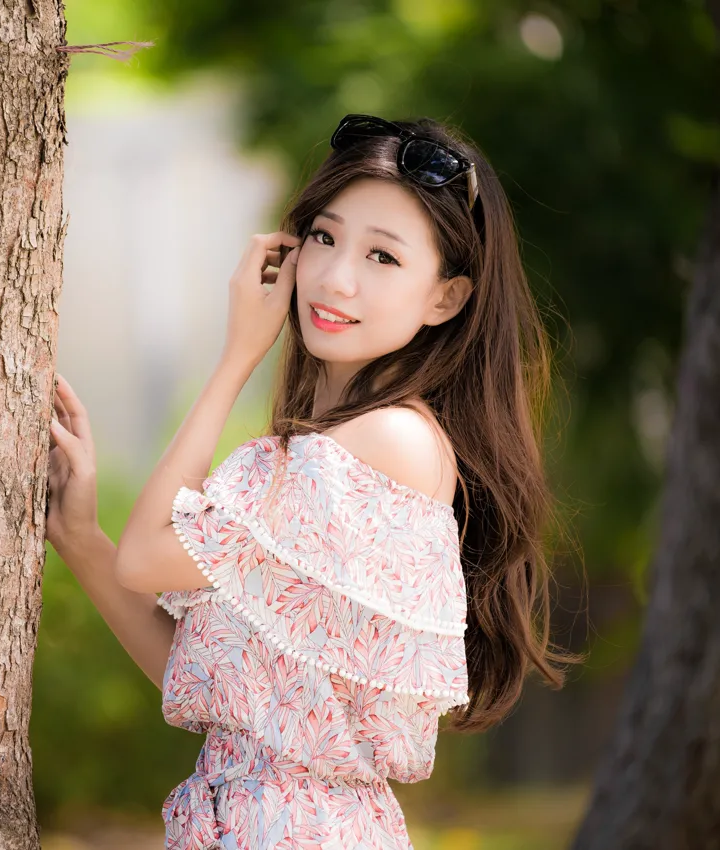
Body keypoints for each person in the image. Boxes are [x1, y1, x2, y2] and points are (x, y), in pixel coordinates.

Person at [44, 113, 582, 848]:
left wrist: (238, 356)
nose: (336, 277)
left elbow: (147, 556)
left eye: (384, 258)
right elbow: (215, 686)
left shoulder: (387, 443)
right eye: (325, 238)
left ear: (446, 298)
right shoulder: (332, 448)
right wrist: (79, 538)